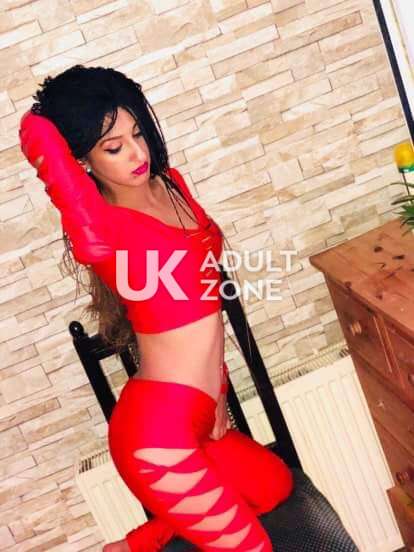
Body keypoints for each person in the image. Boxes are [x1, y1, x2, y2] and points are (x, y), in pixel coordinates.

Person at [19, 65, 294, 551]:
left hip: (202, 413)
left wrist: (218, 392)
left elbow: (206, 312)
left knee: (274, 487)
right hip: (155, 435)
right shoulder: (98, 225)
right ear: (82, 157)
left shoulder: (173, 186)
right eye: (113, 147)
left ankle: (140, 541)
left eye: (138, 134)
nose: (137, 154)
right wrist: (54, 112)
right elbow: (37, 138)